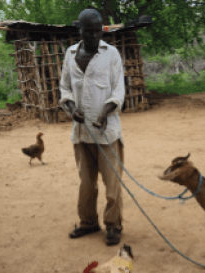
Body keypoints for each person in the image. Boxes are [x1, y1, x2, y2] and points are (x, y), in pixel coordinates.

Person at [59, 8, 126, 246]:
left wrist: (106, 112)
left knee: (112, 184)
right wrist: (70, 107)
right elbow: (64, 88)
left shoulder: (112, 54)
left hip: (107, 133)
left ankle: (113, 225)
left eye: (99, 30)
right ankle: (88, 223)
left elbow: (119, 90)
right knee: (86, 184)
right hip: (81, 133)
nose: (95, 35)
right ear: (80, 30)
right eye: (90, 31)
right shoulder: (70, 54)